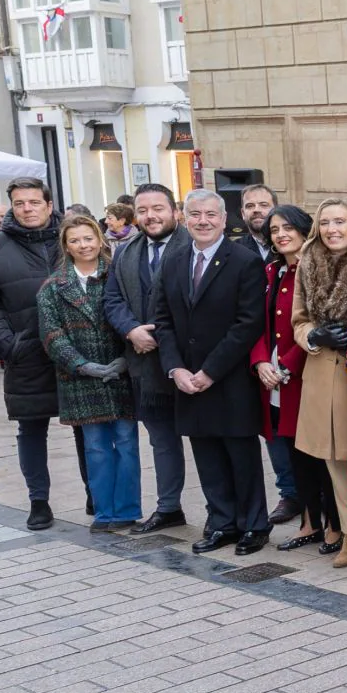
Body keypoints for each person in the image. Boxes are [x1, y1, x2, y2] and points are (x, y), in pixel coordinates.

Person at [151, 189, 270, 555]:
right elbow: (163, 320)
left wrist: (209, 371)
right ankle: (222, 523)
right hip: (187, 381)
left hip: (228, 378)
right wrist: (174, 368)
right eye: (195, 214)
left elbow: (248, 323)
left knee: (240, 455)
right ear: (184, 218)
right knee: (207, 457)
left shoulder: (244, 261)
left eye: (211, 215)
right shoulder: (173, 261)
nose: (203, 221)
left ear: (223, 219)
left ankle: (253, 525)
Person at [0, 177, 68, 530]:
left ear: (48, 205)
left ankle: (95, 495)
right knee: (31, 429)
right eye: (19, 203)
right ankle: (38, 500)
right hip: (27, 353)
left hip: (77, 352)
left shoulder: (70, 238)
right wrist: (8, 344)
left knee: (90, 428)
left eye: (34, 202)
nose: (27, 208)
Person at [293, 198, 347, 568]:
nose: (332, 228)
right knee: (333, 459)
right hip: (319, 372)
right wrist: (315, 335)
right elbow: (298, 320)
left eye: (340, 221)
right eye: (325, 221)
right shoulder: (306, 263)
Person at [36, 216, 137, 530]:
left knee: (127, 443)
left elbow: (134, 317)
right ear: (66, 246)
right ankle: (104, 511)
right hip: (80, 379)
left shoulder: (118, 276)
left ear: (100, 239)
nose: (84, 245)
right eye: (76, 240)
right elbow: (51, 335)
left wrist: (126, 358)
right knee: (95, 446)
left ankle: (128, 510)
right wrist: (82, 365)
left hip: (119, 372)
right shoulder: (53, 287)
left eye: (88, 238)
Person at [103, 184, 189, 534]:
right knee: (161, 439)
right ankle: (169, 507)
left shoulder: (193, 246)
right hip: (144, 365)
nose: (151, 216)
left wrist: (165, 337)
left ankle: (225, 512)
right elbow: (111, 299)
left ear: (174, 211)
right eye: (143, 210)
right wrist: (133, 330)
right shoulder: (125, 253)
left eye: (158, 208)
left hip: (190, 361)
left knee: (211, 441)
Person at [252, 205, 334, 554]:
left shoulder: (317, 270)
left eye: (288, 227)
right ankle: (308, 522)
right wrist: (259, 363)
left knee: (319, 455)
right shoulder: (272, 271)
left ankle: (332, 524)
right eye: (274, 230)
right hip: (272, 380)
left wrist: (286, 366)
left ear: (304, 230)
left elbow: (318, 327)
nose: (281, 234)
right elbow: (256, 323)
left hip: (305, 375)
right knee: (293, 454)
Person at [226, 184, 276, 260]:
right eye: (250, 206)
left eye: (263, 205)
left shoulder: (288, 244)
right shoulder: (232, 250)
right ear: (243, 213)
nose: (256, 210)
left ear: (276, 210)